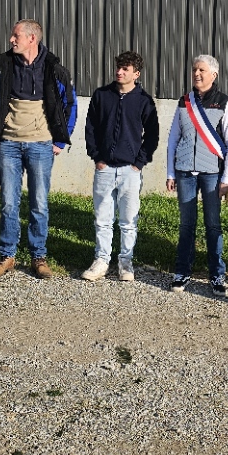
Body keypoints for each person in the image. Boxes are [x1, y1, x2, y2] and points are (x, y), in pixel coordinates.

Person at [0, 19, 77, 280]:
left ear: (31, 39)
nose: (12, 40)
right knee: (9, 204)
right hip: (9, 146)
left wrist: (59, 141)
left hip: (41, 146)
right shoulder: (3, 68)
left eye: (16, 36)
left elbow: (69, 103)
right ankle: (7, 256)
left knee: (39, 204)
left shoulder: (54, 69)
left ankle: (38, 257)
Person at [82, 50, 160, 283]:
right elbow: (91, 128)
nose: (119, 71)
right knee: (103, 219)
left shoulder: (144, 101)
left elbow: (152, 135)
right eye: (118, 67)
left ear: (136, 74)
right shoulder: (102, 95)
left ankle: (125, 262)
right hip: (105, 169)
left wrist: (139, 163)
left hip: (130, 171)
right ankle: (101, 260)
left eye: (125, 69)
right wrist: (97, 157)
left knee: (128, 220)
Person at [165, 54, 228, 294]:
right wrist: (170, 172)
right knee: (187, 225)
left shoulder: (224, 102)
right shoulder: (183, 102)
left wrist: (226, 179)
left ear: (213, 75)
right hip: (185, 171)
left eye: (202, 70)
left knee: (213, 225)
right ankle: (182, 272)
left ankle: (217, 275)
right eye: (194, 70)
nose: (197, 74)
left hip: (212, 174)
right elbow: (173, 139)